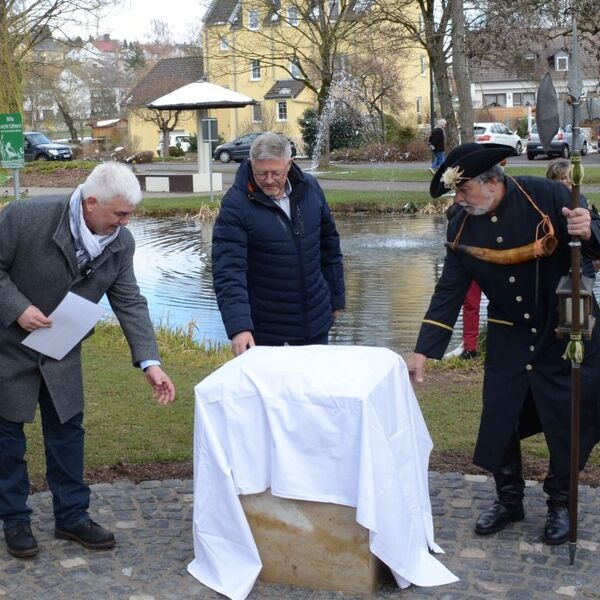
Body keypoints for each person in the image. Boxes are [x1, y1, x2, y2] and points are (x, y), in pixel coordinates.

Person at [407, 143, 600, 546]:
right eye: (455, 193)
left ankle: (561, 504)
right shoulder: (460, 222)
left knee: (568, 416)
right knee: (501, 414)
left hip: (564, 327)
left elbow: (595, 239)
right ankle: (508, 500)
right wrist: (423, 348)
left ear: (492, 183)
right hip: (509, 332)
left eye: (463, 191)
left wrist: (589, 229)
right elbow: (450, 288)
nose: (458, 201)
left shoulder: (547, 195)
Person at [0, 162, 176, 559]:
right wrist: (17, 308)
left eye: (129, 214)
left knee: (67, 434)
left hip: (61, 352)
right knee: (7, 438)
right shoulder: (25, 217)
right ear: (91, 202)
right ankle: (15, 519)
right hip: (8, 347)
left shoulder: (120, 243)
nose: (125, 223)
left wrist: (150, 362)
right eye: (120, 214)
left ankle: (72, 516)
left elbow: (129, 301)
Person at [212, 131, 345, 356]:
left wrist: (336, 298)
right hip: (266, 330)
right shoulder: (235, 205)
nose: (269, 180)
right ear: (250, 164)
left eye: (276, 172)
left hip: (316, 320)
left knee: (315, 388)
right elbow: (229, 271)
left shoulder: (310, 189)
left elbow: (329, 246)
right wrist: (239, 327)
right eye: (261, 173)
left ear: (290, 164)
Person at [546, 157, 598, 278]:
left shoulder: (580, 198)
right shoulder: (547, 201)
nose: (568, 181)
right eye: (563, 178)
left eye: (570, 177)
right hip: (558, 262)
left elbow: (592, 228)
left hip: (583, 262)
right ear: (553, 180)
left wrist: (596, 256)